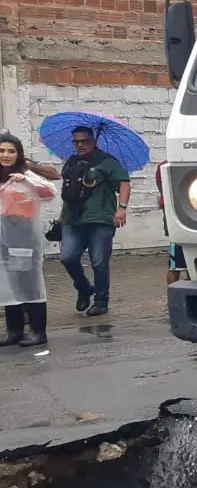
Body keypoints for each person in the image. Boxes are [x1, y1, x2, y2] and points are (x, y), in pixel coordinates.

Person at [57, 125, 131, 316]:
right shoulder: (71, 162)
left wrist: (122, 208)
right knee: (68, 257)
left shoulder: (107, 161)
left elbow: (124, 182)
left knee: (99, 262)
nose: (80, 145)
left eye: (84, 141)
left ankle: (101, 301)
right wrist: (61, 216)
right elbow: (68, 191)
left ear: (93, 140)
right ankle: (83, 288)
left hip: (100, 218)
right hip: (72, 219)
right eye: (76, 142)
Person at [0, 133, 57, 346]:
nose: (6, 155)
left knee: (29, 284)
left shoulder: (25, 175)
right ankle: (14, 331)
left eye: (11, 151)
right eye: (2, 150)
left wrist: (28, 179)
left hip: (22, 239)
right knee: (9, 283)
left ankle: (38, 331)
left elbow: (49, 192)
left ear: (18, 154)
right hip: (3, 240)